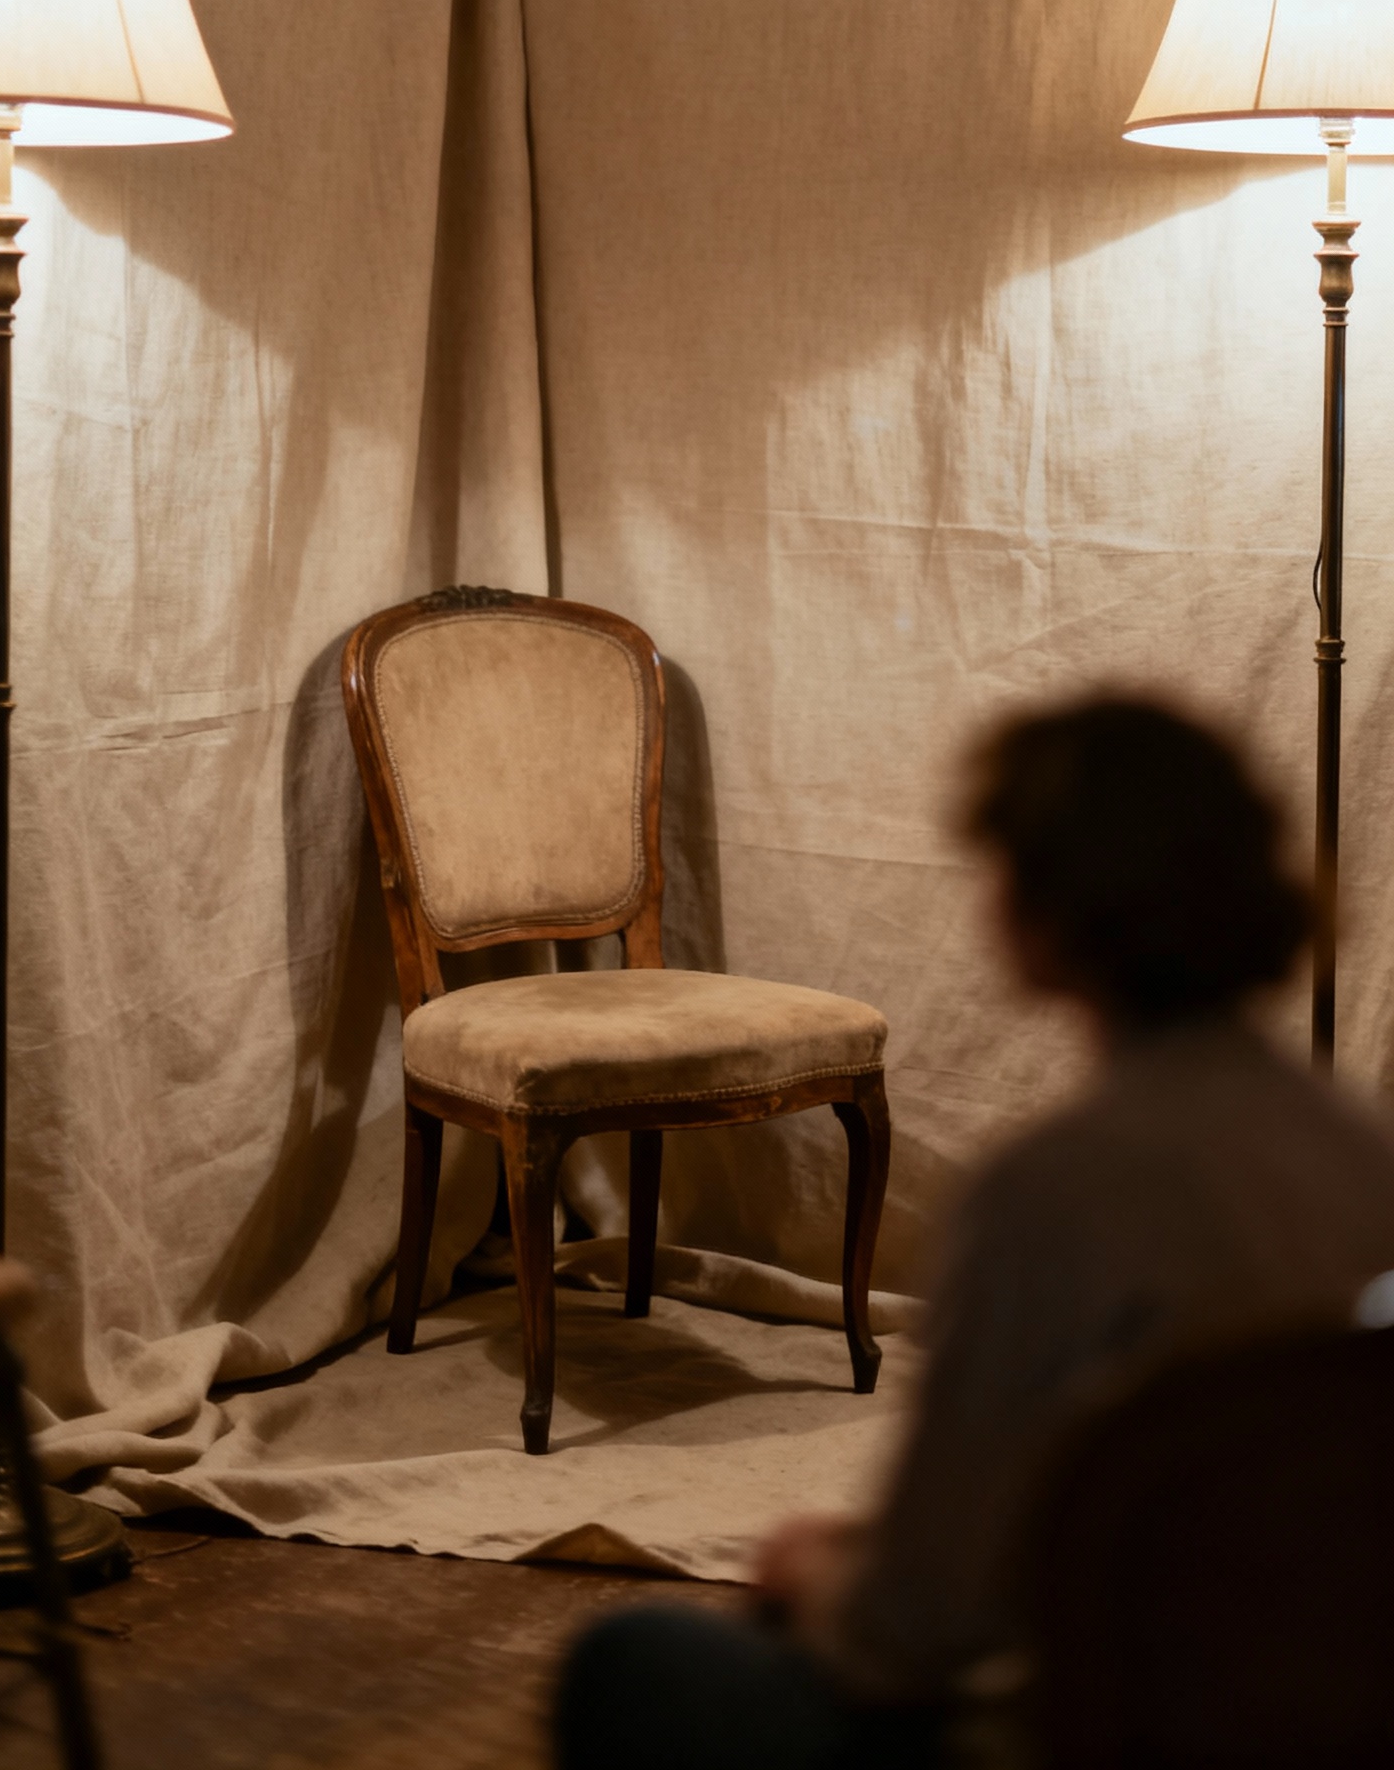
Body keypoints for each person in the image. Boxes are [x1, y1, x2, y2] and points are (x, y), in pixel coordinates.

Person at [553, 694, 1394, 1770]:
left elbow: (913, 1632)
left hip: (1089, 1721)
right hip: (1320, 1708)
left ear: (1042, 909)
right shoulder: (1364, 1152)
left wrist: (818, 1571)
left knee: (633, 1660)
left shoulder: (1054, 1191)